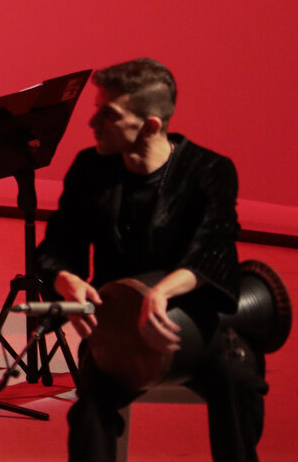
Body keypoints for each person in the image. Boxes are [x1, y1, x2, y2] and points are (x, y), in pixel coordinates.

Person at [35, 58, 267, 460]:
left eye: (109, 114)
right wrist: (66, 280)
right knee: (90, 411)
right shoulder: (90, 169)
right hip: (118, 330)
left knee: (239, 381)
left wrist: (160, 294)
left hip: (195, 321)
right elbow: (57, 247)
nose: (93, 123)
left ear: (151, 124)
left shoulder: (208, 170)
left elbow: (212, 248)